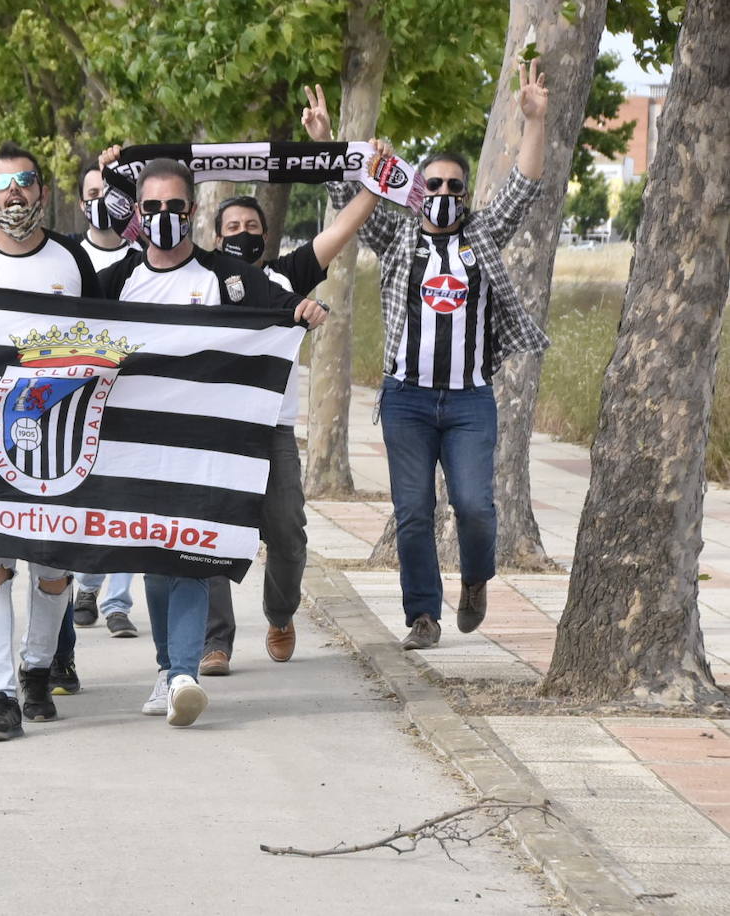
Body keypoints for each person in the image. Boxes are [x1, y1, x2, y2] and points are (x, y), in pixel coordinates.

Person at [306, 61, 549, 650]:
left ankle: (475, 581)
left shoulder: (483, 235)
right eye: (432, 185)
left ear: (466, 194)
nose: (442, 194)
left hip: (470, 400)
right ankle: (423, 616)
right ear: (417, 191)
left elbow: (524, 186)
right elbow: (348, 200)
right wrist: (327, 143)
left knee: (474, 506)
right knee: (413, 510)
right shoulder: (399, 236)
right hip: (407, 400)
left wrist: (534, 122)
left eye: (452, 186)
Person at [96, 150, 318, 726]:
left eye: (175, 206)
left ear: (192, 210)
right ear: (137, 215)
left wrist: (306, 311)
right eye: (153, 207)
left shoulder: (227, 278)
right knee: (154, 555)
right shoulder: (116, 282)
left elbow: (283, 305)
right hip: (141, 448)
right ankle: (166, 665)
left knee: (192, 554)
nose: (164, 215)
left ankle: (184, 675)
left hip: (206, 450)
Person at [0, 141, 100, 741]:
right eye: (2, 184)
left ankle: (36, 669)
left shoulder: (73, 262)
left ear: (42, 191)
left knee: (54, 568)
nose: (13, 194)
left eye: (24, 182)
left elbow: (109, 339)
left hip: (63, 436)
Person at [198, 165, 383, 675]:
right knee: (211, 533)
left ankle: (280, 614)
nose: (242, 234)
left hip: (272, 430)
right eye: (231, 228)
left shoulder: (287, 275)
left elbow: (342, 229)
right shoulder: (198, 278)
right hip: (214, 434)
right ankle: (215, 640)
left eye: (251, 228)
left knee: (287, 531)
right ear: (215, 238)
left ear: (267, 236)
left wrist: (374, 181)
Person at [71, 161, 139, 637]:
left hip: (133, 392)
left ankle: (117, 600)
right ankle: (88, 583)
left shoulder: (142, 258)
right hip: (83, 394)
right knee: (91, 497)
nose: (101, 201)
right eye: (92, 192)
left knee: (128, 497)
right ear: (80, 202)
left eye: (109, 193)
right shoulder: (70, 258)